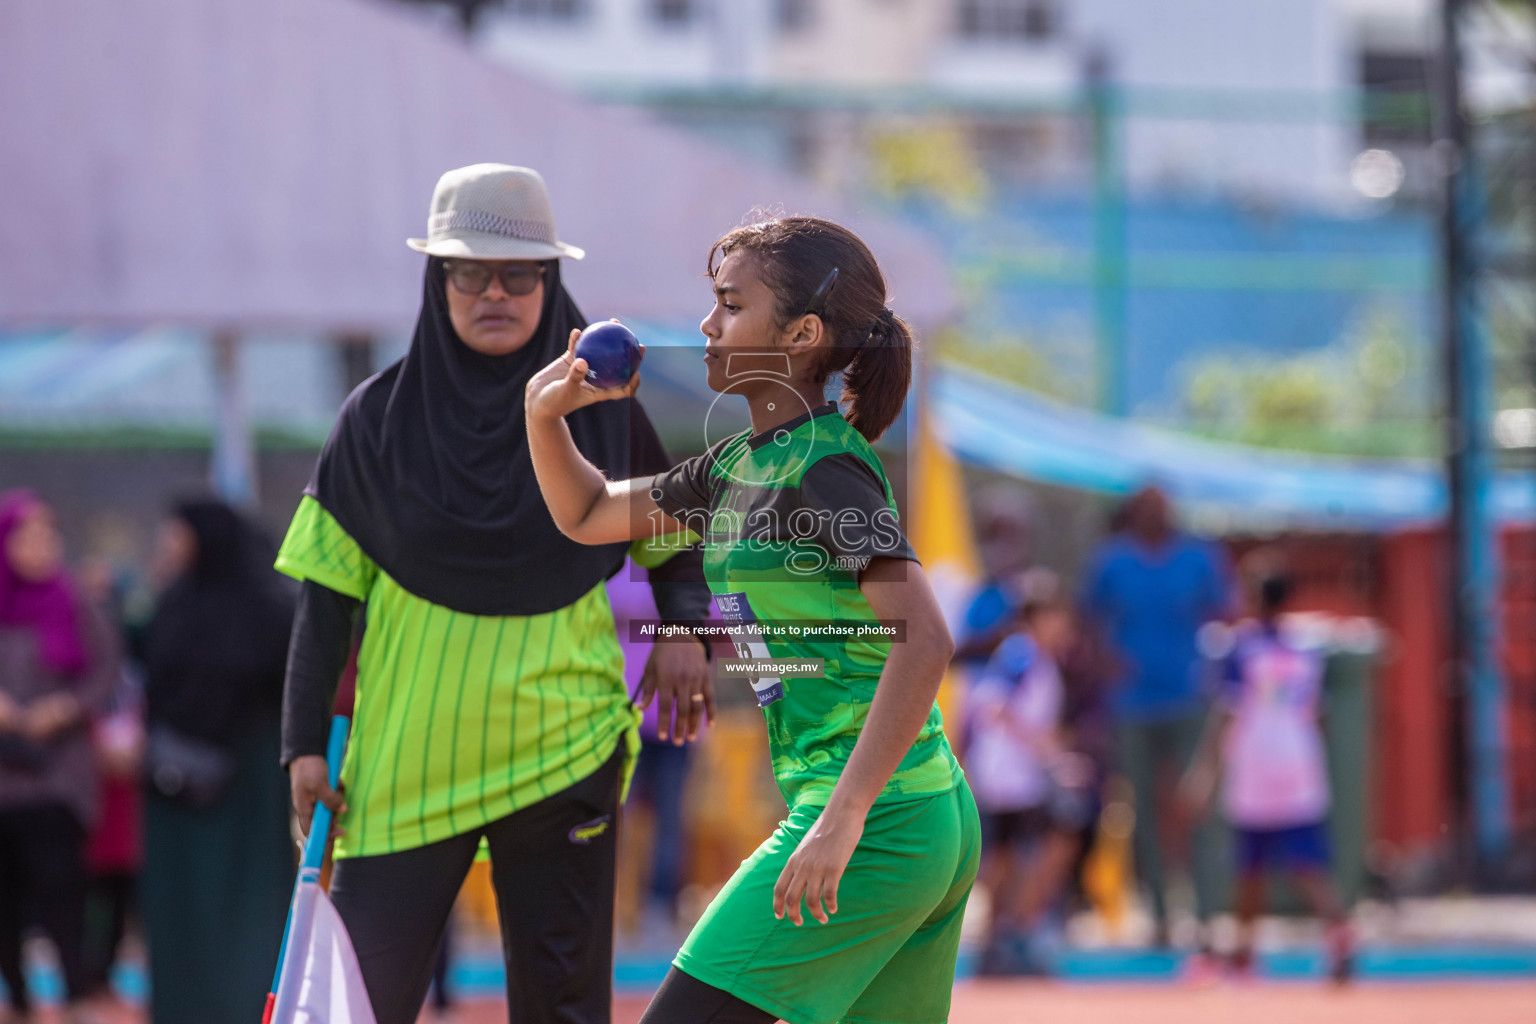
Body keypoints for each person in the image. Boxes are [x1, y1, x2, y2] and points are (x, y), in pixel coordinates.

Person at [277, 163, 712, 1024]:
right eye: (467, 272)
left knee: (563, 1010)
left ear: (552, 284)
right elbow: (324, 603)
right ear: (437, 283)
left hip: (565, 749)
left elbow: (674, 527)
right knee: (361, 1006)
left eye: (519, 274)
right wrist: (300, 745)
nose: (494, 293)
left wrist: (685, 630)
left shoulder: (604, 413)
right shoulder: (373, 421)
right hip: (404, 766)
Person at [525, 215, 979, 1024]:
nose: (706, 325)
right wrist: (543, 416)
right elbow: (590, 511)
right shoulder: (739, 465)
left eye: (730, 305)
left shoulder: (825, 466)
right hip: (907, 813)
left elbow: (926, 640)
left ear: (801, 334)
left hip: (876, 822)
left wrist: (841, 821)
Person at [138, 500, 295, 1024]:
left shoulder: (267, 609)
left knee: (246, 911)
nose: (170, 549)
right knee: (183, 914)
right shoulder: (174, 603)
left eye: (178, 538)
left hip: (246, 788)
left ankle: (248, 1007)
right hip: (177, 790)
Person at [1180, 559, 1353, 982]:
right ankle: (1340, 938)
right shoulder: (1306, 648)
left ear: (1255, 597)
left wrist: (1203, 773)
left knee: (1249, 866)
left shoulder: (1239, 649)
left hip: (1255, 767)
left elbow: (1226, 712)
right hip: (1299, 765)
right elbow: (1321, 714)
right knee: (1308, 864)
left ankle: (1243, 955)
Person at [1080, 485, 1231, 947]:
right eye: (1147, 509)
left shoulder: (1198, 558)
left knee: (1199, 808)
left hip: (1189, 699)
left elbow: (1227, 612)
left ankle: (1207, 916)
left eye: (1162, 508)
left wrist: (1213, 666)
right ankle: (1163, 916)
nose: (1156, 516)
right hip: (1133, 705)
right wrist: (1107, 663)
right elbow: (1085, 619)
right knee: (1142, 811)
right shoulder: (1111, 561)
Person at [0, 491, 119, 1024]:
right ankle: (19, 1000)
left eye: (49, 535)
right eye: (28, 536)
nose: (40, 546)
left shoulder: (73, 602)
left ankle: (73, 997)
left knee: (61, 887)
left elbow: (105, 669)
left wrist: (65, 708)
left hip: (57, 774)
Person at [965, 585, 1093, 974]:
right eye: (1055, 616)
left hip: (1022, 777)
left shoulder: (1039, 660)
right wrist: (1049, 754)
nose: (1063, 625)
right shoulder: (1020, 654)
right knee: (1017, 854)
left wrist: (1056, 752)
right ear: (1036, 619)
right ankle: (1006, 938)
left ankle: (1008, 936)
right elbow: (997, 706)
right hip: (1007, 777)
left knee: (1022, 853)